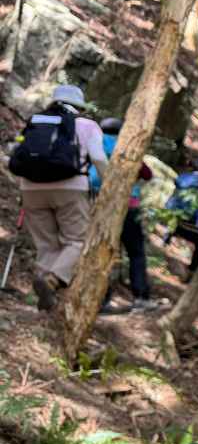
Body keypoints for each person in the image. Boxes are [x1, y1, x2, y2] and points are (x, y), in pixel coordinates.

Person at [7, 85, 109, 311]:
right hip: (70, 188)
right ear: (79, 106)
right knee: (76, 241)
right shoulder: (87, 125)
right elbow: (99, 159)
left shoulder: (37, 121)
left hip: (30, 189)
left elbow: (16, 152)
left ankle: (45, 303)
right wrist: (109, 183)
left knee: (46, 245)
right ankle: (52, 281)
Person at [89, 117, 157, 312]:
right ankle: (140, 297)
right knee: (136, 252)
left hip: (97, 204)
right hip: (127, 206)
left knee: (101, 250)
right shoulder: (127, 146)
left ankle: (100, 300)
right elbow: (147, 174)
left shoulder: (94, 143)